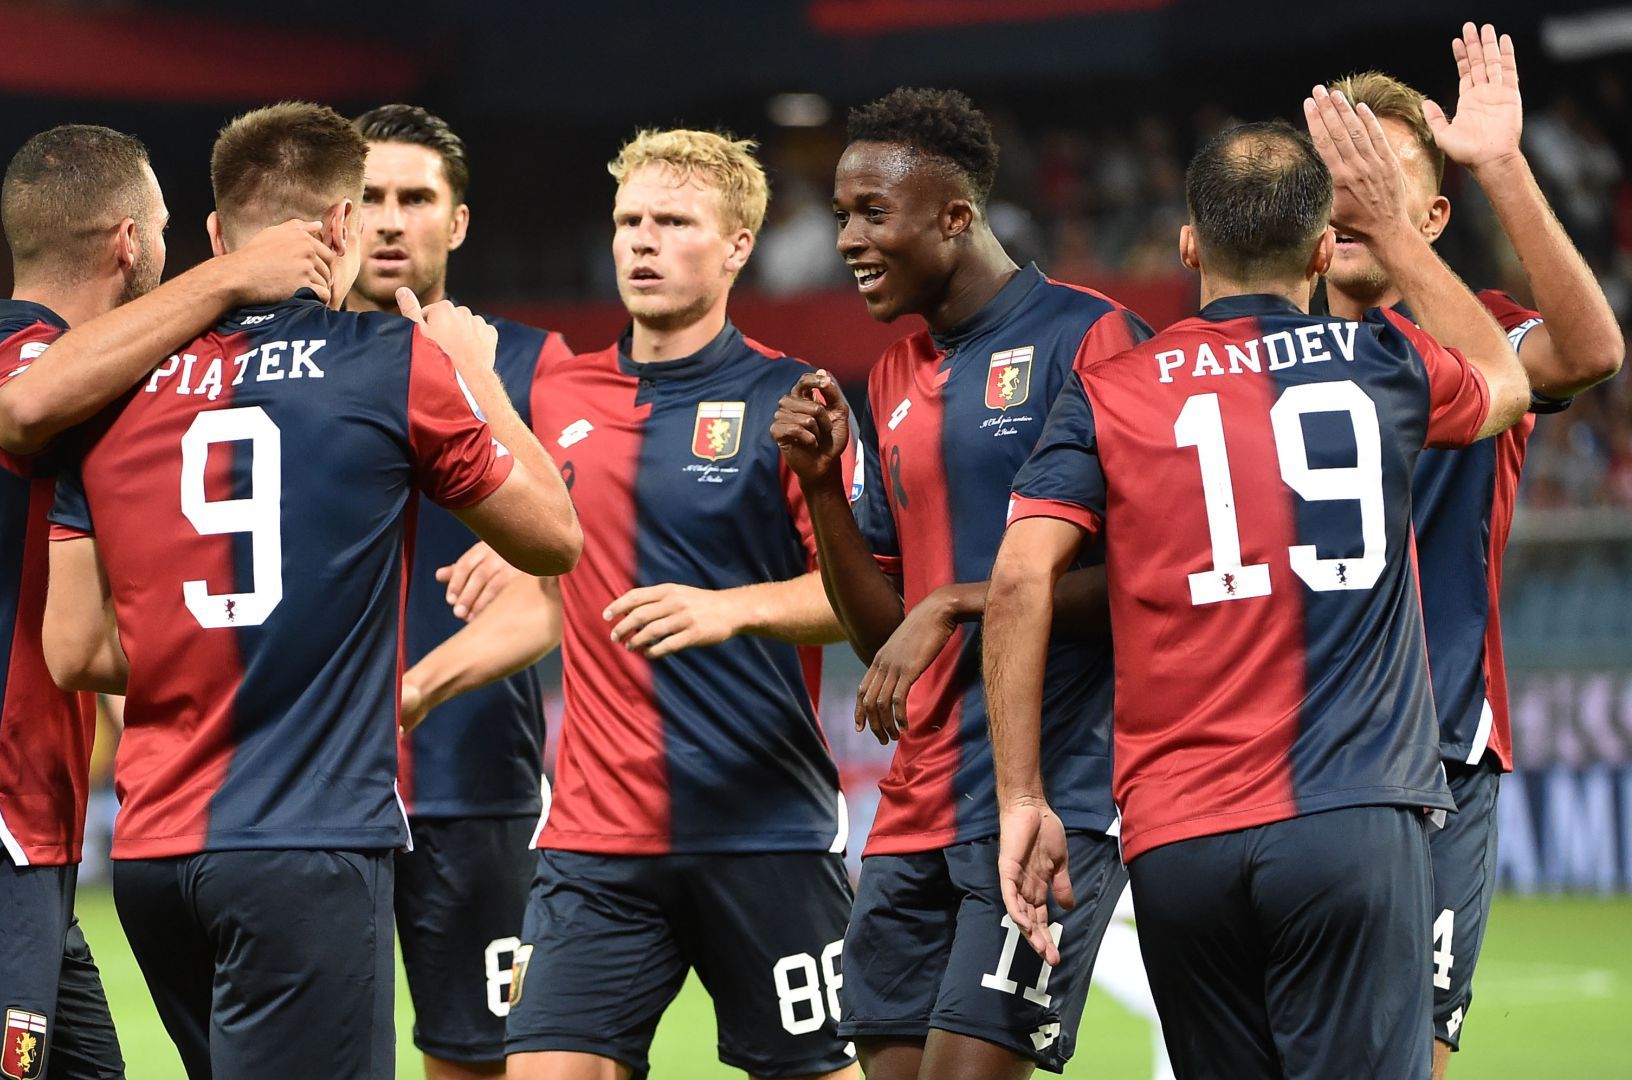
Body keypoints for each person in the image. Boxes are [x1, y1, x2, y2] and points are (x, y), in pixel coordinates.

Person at [985, 103, 1529, 1079]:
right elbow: (1506, 376)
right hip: (1353, 818)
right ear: (1326, 250)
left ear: (1188, 241)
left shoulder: (1113, 389)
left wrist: (1022, 794)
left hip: (1178, 838)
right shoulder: (1383, 365)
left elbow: (1021, 580)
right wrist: (1398, 232)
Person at [38, 101, 579, 1080]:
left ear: (213, 236)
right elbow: (556, 540)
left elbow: (73, 652)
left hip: (155, 852)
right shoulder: (390, 364)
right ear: (341, 228)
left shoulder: (110, 385)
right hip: (307, 844)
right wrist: (478, 379)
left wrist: (202, 649)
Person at [0, 123, 332, 1080]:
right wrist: (230, 280)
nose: (170, 248)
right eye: (161, 228)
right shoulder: (30, 377)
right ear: (127, 242)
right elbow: (26, 409)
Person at [428, 128, 859, 1080]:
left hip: (763, 827)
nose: (643, 242)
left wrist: (729, 609)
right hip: (594, 842)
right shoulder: (560, 392)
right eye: (630, 221)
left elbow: (868, 599)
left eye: (673, 222)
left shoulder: (794, 398)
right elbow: (546, 565)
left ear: (739, 244)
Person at [770, 87, 1148, 1080]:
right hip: (915, 806)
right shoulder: (893, 375)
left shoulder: (1093, 342)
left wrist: (960, 602)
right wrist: (821, 492)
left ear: (954, 215)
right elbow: (883, 629)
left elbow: (1148, 583)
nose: (848, 237)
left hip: (1047, 791)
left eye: (871, 213)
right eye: (843, 212)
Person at [1321, 27, 1623, 1077]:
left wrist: (1500, 161)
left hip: (1441, 762)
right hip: (1281, 771)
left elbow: (1590, 352)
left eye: (1382, 178)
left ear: (1434, 217)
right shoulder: (1241, 357)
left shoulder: (1483, 341)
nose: (1352, 198)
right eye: (1334, 176)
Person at [343, 103, 573, 1080]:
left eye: (416, 198)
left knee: (476, 1063)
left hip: (478, 784)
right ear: (335, 216)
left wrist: (483, 391)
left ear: (458, 221)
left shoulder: (529, 363)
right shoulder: (284, 367)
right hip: (322, 791)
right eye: (370, 199)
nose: (392, 220)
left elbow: (581, 555)